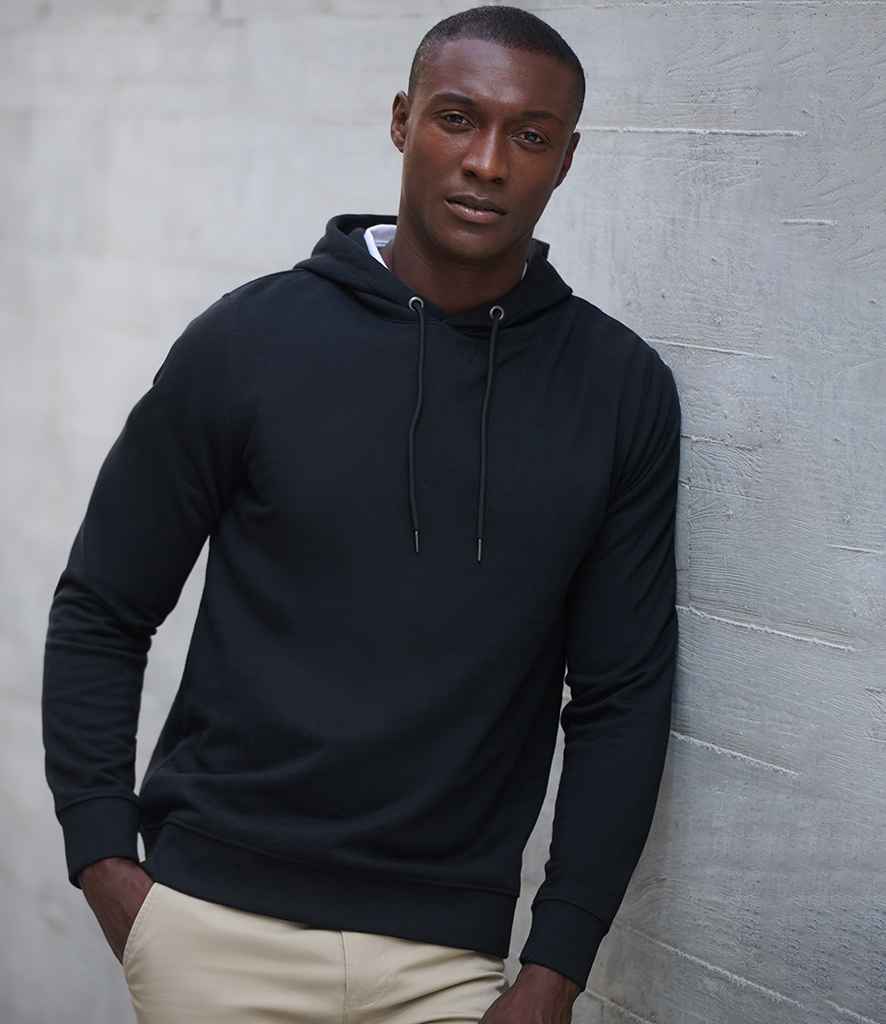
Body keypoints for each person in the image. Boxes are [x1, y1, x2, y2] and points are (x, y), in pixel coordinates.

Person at [41, 6, 682, 1024]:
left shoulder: (618, 390)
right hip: (213, 930)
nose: (486, 162)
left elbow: (622, 695)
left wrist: (556, 967)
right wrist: (104, 861)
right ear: (400, 121)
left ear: (566, 159)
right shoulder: (248, 342)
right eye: (457, 118)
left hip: (449, 961)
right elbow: (102, 607)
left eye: (529, 135)